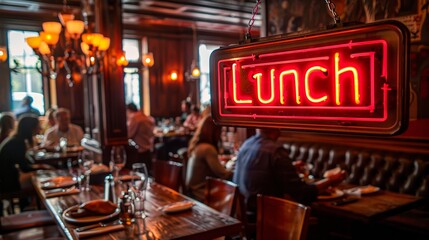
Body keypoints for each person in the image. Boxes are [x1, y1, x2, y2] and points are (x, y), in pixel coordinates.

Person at [233, 128, 346, 231]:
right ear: (277, 127)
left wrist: (289, 166)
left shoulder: (247, 144)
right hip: (265, 220)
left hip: (244, 216)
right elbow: (301, 193)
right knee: (325, 225)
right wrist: (330, 181)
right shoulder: (276, 151)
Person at [0, 116, 52, 212]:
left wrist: (39, 167)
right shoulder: (18, 142)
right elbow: (24, 168)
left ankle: (31, 207)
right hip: (7, 183)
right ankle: (40, 210)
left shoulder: (16, 139)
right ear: (30, 128)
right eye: (38, 126)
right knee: (43, 181)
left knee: (41, 177)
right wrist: (41, 166)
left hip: (7, 179)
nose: (40, 129)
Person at [185, 115, 233, 201]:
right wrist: (235, 169)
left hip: (191, 193)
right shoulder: (208, 149)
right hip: (200, 194)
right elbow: (223, 174)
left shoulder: (197, 146)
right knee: (233, 196)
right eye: (220, 130)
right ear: (215, 131)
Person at [126, 103, 155, 171]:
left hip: (140, 151)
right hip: (148, 149)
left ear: (129, 110)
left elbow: (129, 135)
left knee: (141, 173)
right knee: (148, 172)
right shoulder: (146, 117)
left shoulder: (135, 118)